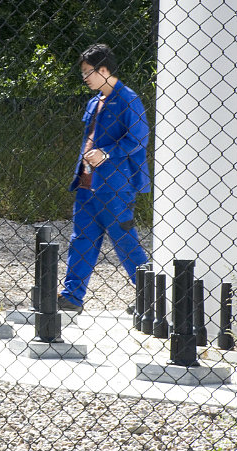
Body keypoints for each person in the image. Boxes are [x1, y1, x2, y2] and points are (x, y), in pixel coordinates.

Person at [58, 43, 150, 314]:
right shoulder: (94, 102)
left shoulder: (128, 99)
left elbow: (139, 139)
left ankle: (151, 298)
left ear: (104, 69)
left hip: (116, 186)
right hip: (87, 185)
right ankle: (72, 297)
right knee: (81, 240)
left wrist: (107, 154)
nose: (85, 78)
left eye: (88, 72)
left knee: (125, 242)